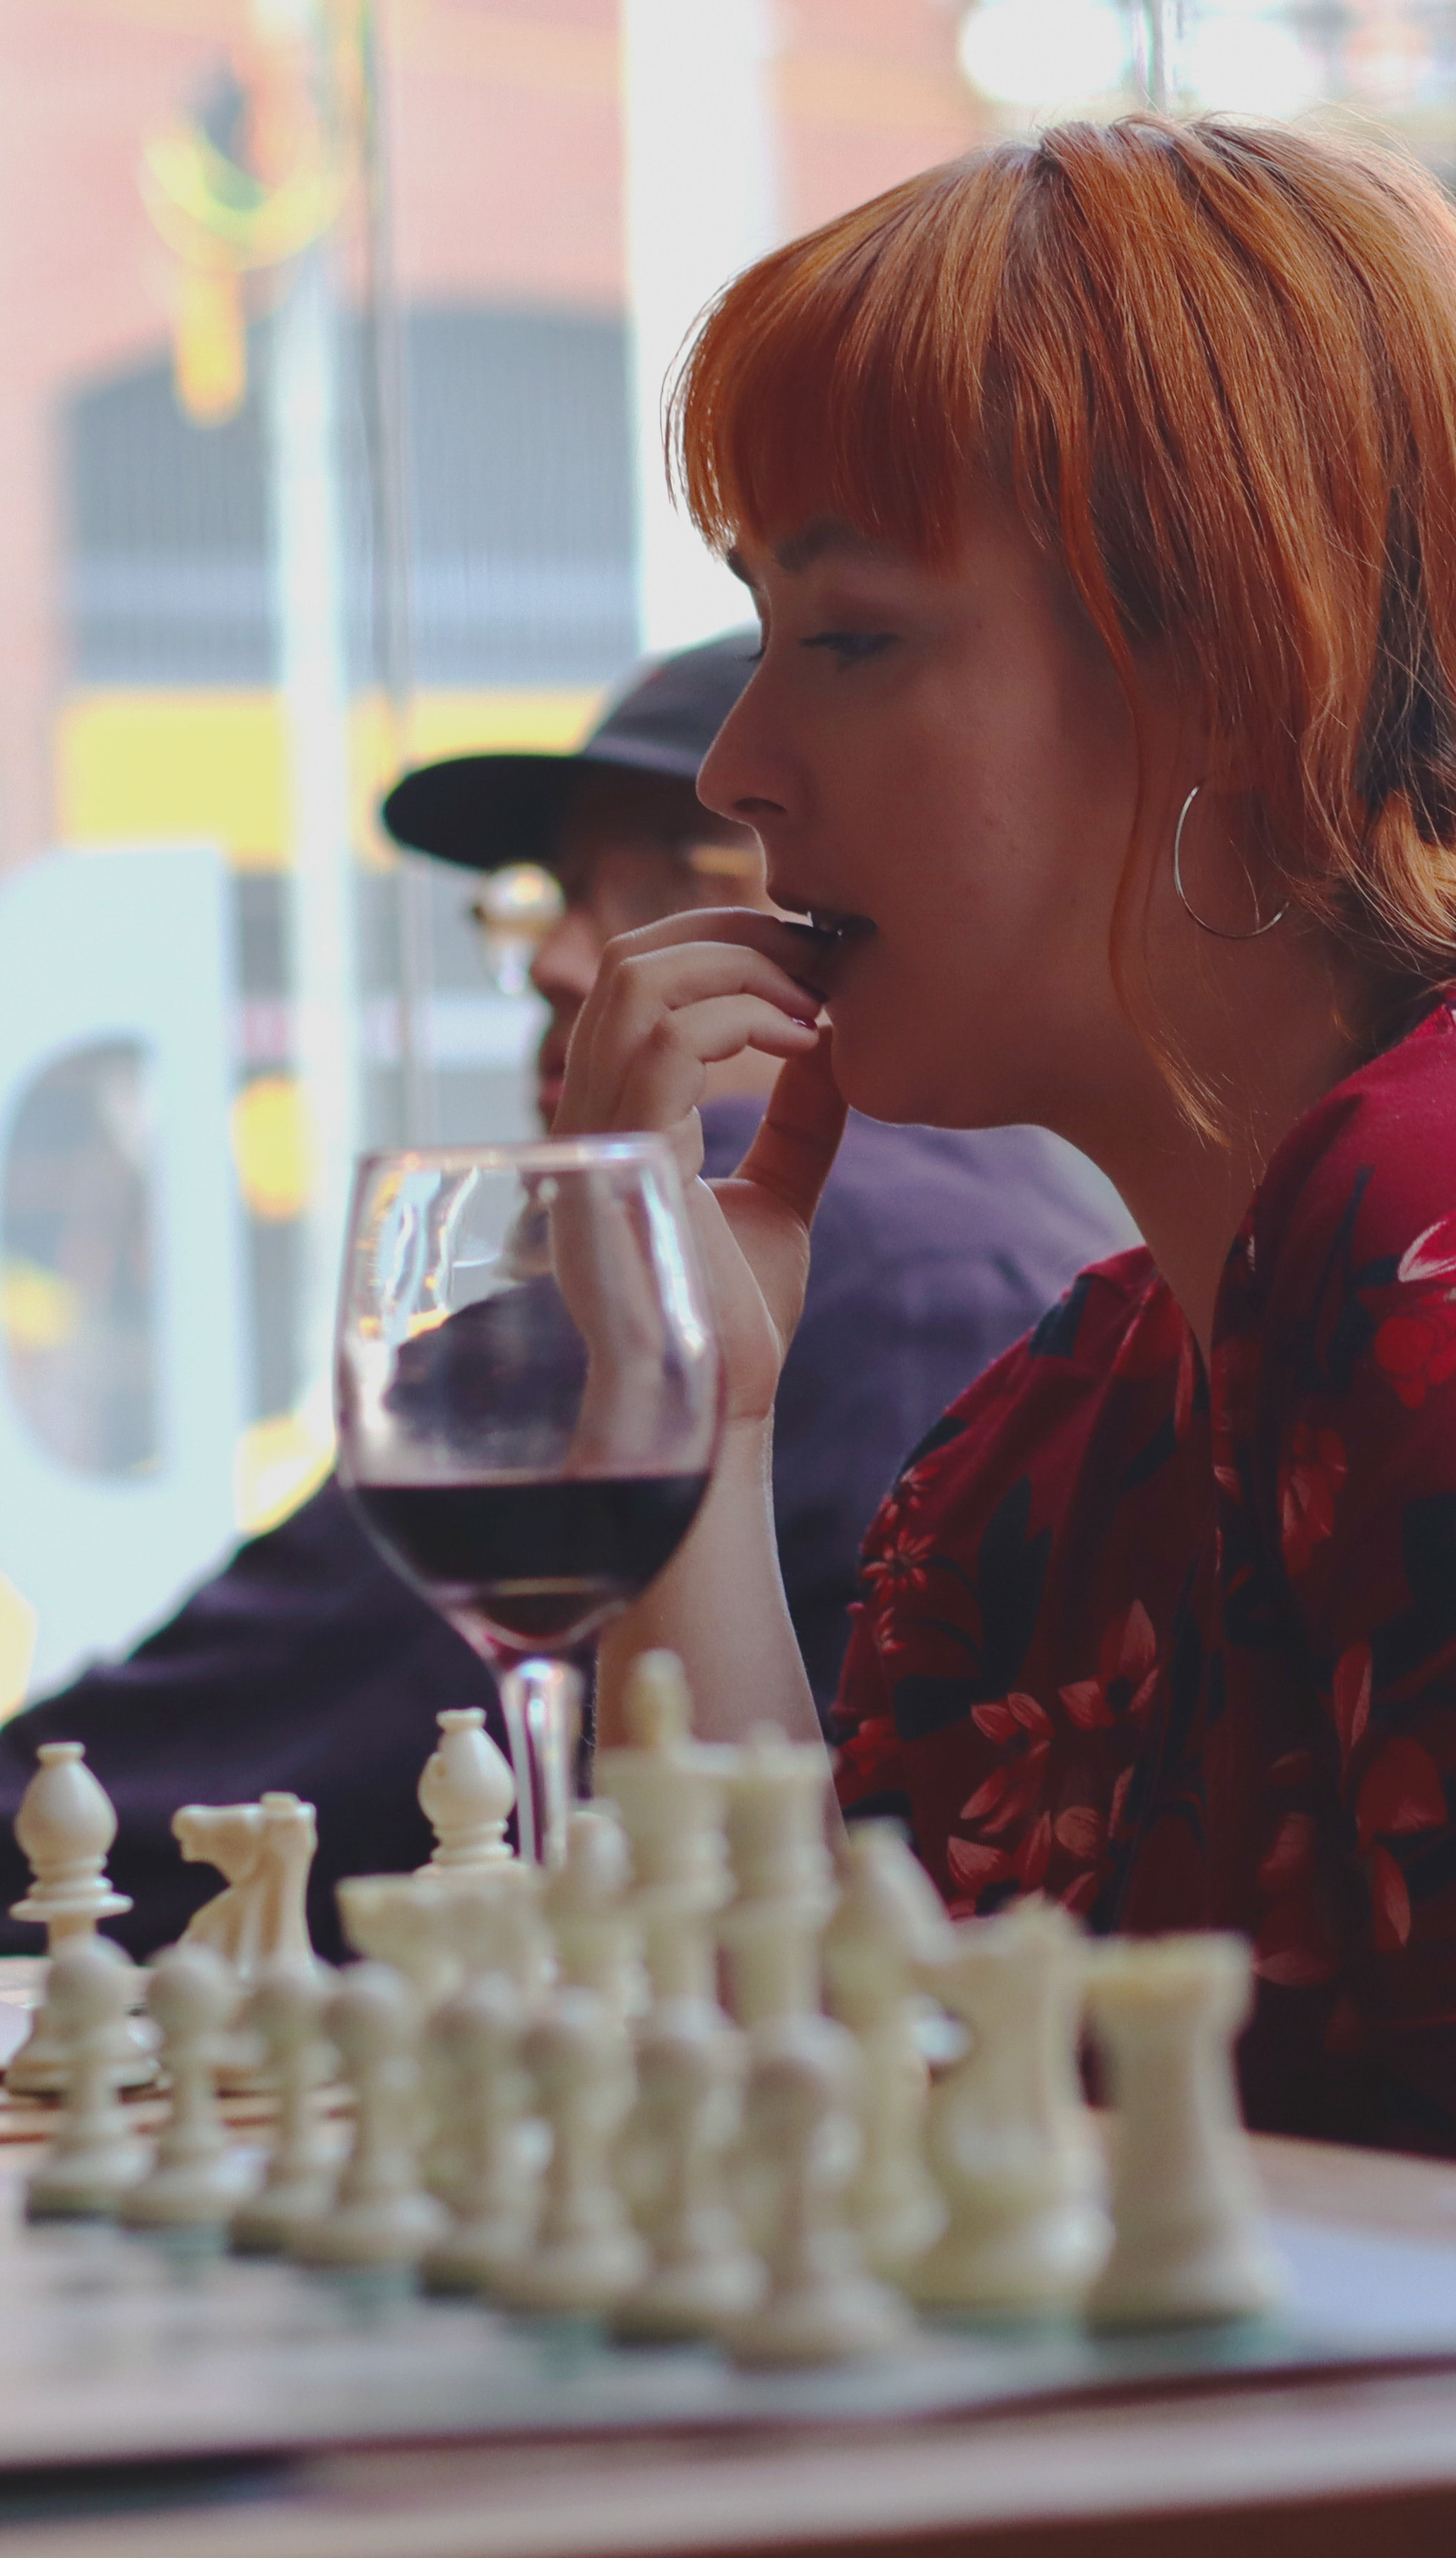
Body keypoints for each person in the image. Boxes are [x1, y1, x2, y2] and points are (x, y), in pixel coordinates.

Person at [560, 115, 1456, 2152]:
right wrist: (689, 1427)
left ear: (1233, 666)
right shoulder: (1053, 1430)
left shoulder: (1432, 1243)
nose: (737, 765)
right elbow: (810, 2123)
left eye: (851, 636)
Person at [0, 639, 1124, 1964]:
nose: (560, 960)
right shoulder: (1033, 1225)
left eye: (652, 880)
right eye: (556, 894)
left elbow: (208, 1743)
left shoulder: (785, 1258)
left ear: (838, 894)